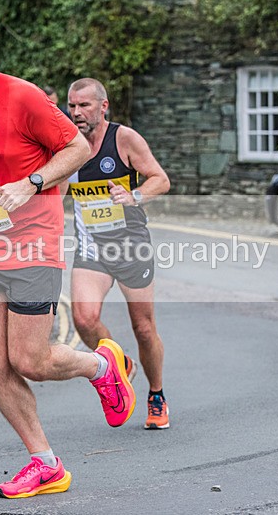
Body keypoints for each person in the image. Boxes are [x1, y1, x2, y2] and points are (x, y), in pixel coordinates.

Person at [0, 16, 136, 499]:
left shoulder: (22, 98)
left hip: (34, 244)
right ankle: (46, 463)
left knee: (31, 360)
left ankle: (102, 367)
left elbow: (78, 147)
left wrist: (32, 182)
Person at [65, 77, 171, 430]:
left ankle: (156, 395)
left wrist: (134, 196)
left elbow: (160, 178)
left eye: (84, 105)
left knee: (143, 326)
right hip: (91, 246)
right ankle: (118, 363)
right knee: (83, 319)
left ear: (103, 106)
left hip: (130, 244)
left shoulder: (123, 139)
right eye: (72, 105)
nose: (77, 112)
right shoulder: (66, 145)